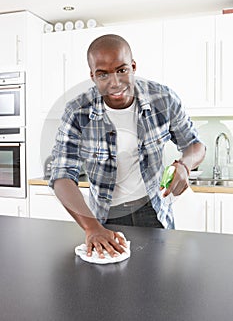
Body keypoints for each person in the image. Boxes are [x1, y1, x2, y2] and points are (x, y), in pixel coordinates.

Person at [49, 34, 206, 258]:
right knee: (109, 286)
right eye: (103, 74)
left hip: (154, 211)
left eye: (122, 70)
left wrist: (185, 165)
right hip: (103, 217)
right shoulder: (77, 112)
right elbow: (61, 175)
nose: (115, 82)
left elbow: (195, 145)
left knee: (159, 282)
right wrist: (92, 228)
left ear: (133, 66)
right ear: (93, 76)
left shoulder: (163, 99)